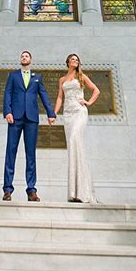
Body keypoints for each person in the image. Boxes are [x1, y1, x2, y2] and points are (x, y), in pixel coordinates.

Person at [3, 50, 56, 201]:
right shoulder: (13, 76)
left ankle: (31, 190)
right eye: (22, 56)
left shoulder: (37, 77)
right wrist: (8, 111)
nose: (24, 57)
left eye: (26, 56)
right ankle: (7, 189)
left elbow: (44, 95)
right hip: (15, 118)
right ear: (20, 59)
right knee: (10, 152)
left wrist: (50, 113)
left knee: (30, 154)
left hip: (31, 118)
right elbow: (7, 93)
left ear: (31, 60)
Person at [54, 53, 100, 203]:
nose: (75, 61)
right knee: (72, 148)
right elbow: (60, 97)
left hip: (79, 112)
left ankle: (83, 191)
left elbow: (96, 90)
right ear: (67, 62)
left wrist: (88, 102)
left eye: (77, 59)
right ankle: (74, 192)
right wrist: (53, 113)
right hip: (68, 115)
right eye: (72, 59)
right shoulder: (62, 80)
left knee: (75, 140)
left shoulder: (82, 76)